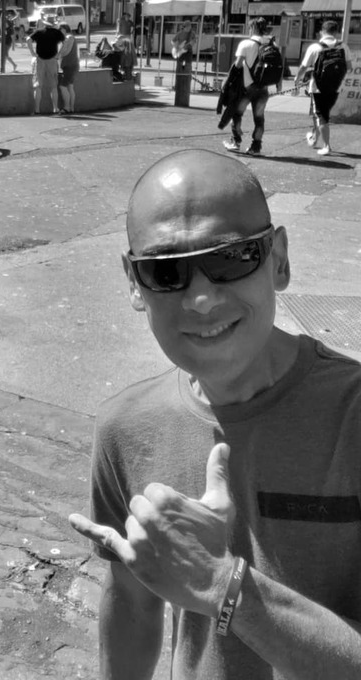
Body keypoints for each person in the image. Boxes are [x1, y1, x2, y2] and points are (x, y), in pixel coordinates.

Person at [69, 148, 361, 680]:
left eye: (232, 257)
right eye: (166, 271)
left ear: (278, 259)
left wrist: (224, 586)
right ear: (134, 282)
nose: (201, 298)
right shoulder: (125, 429)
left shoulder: (352, 415)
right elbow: (131, 603)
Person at [294, 20, 352, 157]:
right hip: (336, 87)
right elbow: (349, 67)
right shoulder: (343, 46)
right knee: (320, 114)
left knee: (321, 116)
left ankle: (326, 146)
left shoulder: (315, 47)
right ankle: (314, 139)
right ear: (336, 32)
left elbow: (303, 67)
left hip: (317, 87)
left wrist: (297, 80)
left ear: (322, 32)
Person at [223, 17, 280, 156]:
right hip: (263, 88)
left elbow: (237, 65)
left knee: (237, 114)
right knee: (259, 118)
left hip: (246, 88)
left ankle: (236, 142)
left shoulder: (246, 44)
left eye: (249, 28)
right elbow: (279, 66)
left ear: (253, 28)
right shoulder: (273, 45)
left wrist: (228, 82)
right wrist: (279, 84)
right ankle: (256, 147)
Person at [27, 16, 64, 115]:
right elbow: (65, 42)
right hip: (52, 60)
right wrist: (59, 54)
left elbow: (28, 39)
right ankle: (55, 109)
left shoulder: (39, 32)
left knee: (38, 86)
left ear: (45, 23)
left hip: (40, 60)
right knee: (53, 86)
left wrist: (32, 53)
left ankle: (37, 110)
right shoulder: (57, 32)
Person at [57, 22, 79, 113]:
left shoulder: (69, 37)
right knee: (70, 87)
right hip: (71, 66)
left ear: (65, 29)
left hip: (70, 66)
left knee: (63, 86)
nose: (60, 31)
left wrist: (58, 55)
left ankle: (67, 108)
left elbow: (67, 51)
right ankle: (71, 108)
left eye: (61, 29)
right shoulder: (68, 38)